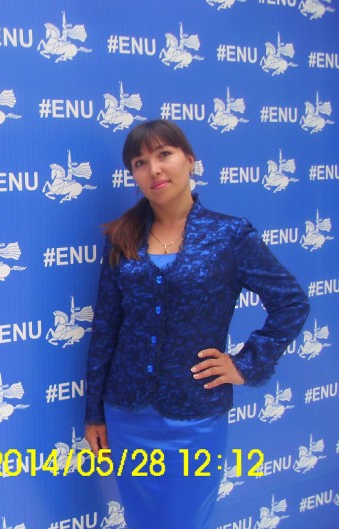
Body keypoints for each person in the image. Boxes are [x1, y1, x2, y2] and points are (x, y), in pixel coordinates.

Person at [84, 120, 309, 529]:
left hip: (194, 416)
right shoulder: (122, 237)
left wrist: (246, 363)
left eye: (164, 154)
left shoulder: (229, 235)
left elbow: (291, 302)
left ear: (190, 160)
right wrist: (94, 413)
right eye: (139, 162)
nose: (153, 169)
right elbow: (105, 330)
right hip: (127, 414)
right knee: (140, 519)